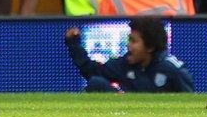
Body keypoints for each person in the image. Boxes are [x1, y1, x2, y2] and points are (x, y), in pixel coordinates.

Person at [65, 16, 194, 92]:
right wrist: (74, 45)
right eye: (129, 40)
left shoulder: (172, 69)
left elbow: (188, 102)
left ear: (149, 46)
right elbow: (92, 71)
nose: (128, 45)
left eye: (134, 41)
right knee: (96, 83)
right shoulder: (124, 64)